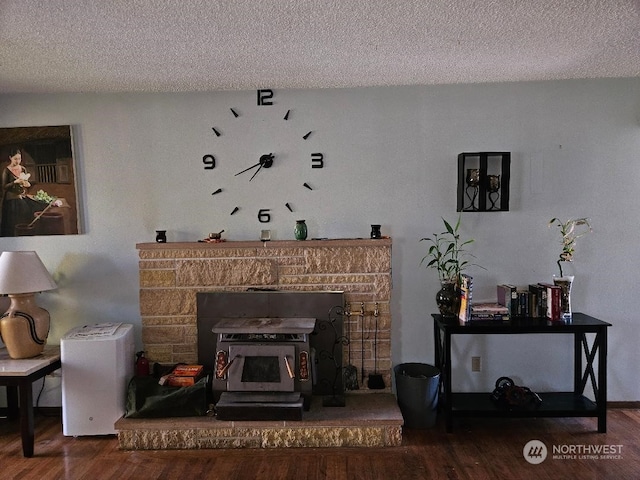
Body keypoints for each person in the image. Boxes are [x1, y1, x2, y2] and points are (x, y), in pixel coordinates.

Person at [1, 147, 41, 236]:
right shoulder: (6, 171)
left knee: (31, 211)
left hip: (22, 196)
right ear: (10, 158)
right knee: (14, 222)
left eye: (19, 159)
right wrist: (15, 182)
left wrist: (26, 184)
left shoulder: (23, 169)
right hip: (11, 199)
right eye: (15, 159)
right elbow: (4, 186)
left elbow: (26, 183)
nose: (17, 161)